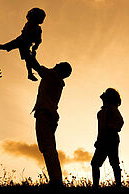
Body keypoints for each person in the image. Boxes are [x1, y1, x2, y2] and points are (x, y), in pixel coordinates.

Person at [28, 54, 72, 187]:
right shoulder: (55, 79)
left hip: (45, 115)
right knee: (49, 147)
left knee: (47, 147)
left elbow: (37, 67)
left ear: (60, 70)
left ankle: (56, 180)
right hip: (49, 115)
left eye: (59, 64)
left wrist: (29, 55)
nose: (56, 64)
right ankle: (56, 179)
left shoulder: (52, 76)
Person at [0, 8, 46, 82]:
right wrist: (35, 46)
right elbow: (35, 39)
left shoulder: (36, 27)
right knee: (28, 58)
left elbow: (38, 40)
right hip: (22, 41)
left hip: (23, 42)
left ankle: (30, 73)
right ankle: (30, 73)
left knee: (27, 58)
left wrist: (35, 46)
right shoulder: (32, 25)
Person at [91, 88, 124, 188]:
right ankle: (96, 185)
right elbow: (100, 129)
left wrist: (112, 127)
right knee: (95, 163)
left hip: (111, 138)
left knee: (113, 163)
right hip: (103, 140)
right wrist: (98, 140)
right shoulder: (101, 113)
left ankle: (118, 185)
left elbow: (120, 122)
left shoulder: (112, 109)